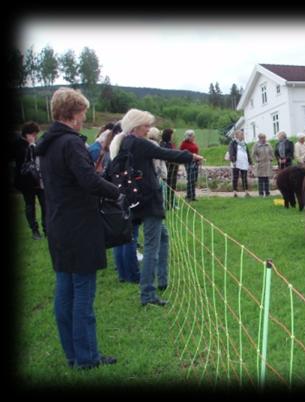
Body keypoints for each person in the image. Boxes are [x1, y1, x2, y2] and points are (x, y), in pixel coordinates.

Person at [35, 87, 121, 369]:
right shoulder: (71, 144)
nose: (84, 118)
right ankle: (87, 358)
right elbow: (89, 181)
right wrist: (116, 192)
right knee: (82, 293)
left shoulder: (48, 145)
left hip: (59, 225)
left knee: (65, 290)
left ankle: (74, 355)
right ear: (72, 114)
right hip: (79, 226)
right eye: (83, 112)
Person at [112, 109, 203, 306]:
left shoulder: (125, 142)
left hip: (139, 199)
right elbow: (165, 153)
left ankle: (162, 280)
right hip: (149, 201)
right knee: (152, 246)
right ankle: (147, 294)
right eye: (145, 126)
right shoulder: (139, 143)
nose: (148, 130)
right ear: (136, 126)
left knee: (163, 237)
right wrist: (191, 157)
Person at [13, 121, 46, 240]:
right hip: (26, 182)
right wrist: (31, 145)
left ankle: (46, 229)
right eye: (33, 134)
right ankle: (35, 231)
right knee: (30, 205)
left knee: (45, 204)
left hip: (38, 180)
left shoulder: (35, 143)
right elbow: (28, 159)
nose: (35, 136)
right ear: (27, 134)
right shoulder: (18, 145)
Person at [228, 130, 252, 198]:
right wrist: (233, 161)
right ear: (237, 135)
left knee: (244, 177)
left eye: (243, 134)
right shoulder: (233, 143)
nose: (243, 135)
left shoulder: (244, 143)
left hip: (244, 162)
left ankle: (246, 192)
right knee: (235, 177)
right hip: (236, 162)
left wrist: (250, 162)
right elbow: (231, 152)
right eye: (241, 134)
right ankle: (235, 192)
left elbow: (247, 153)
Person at [179, 129, 201, 202]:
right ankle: (189, 196)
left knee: (194, 179)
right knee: (190, 179)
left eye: (193, 136)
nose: (194, 137)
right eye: (192, 136)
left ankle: (193, 195)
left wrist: (199, 159)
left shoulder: (193, 143)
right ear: (188, 136)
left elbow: (196, 151)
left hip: (196, 162)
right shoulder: (184, 144)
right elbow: (182, 153)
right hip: (189, 162)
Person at [160, 128, 178, 209]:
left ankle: (171, 203)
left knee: (171, 187)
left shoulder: (168, 144)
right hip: (169, 169)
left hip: (172, 169)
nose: (173, 136)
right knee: (169, 187)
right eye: (172, 135)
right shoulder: (164, 145)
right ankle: (168, 204)